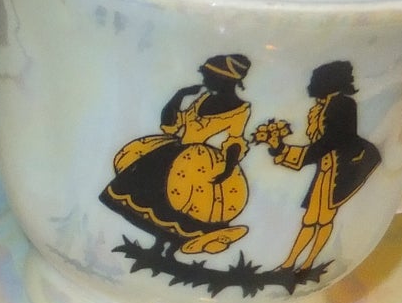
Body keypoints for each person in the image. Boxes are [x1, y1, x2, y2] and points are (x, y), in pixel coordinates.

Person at [100, 54, 255, 255]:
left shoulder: (240, 109)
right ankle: (157, 247)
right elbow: (170, 124)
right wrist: (179, 95)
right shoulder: (204, 98)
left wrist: (228, 167)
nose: (204, 81)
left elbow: (234, 140)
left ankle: (172, 250)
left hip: (200, 162)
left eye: (208, 76)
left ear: (224, 79)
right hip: (173, 151)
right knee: (154, 196)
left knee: (185, 204)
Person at [268, 61, 381, 271]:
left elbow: (331, 141)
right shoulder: (321, 107)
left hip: (342, 168)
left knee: (324, 217)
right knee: (311, 218)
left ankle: (308, 262)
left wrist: (290, 154)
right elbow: (319, 144)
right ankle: (290, 263)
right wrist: (280, 148)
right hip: (325, 168)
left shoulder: (343, 105)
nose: (311, 84)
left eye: (315, 79)